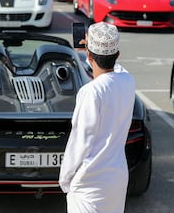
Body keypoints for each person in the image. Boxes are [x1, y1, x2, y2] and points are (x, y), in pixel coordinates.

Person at [58, 22, 136, 213]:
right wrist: (97, 47)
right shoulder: (128, 81)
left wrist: (65, 179)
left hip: (89, 183)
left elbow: (80, 140)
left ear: (89, 55)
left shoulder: (91, 92)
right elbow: (116, 67)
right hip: (117, 178)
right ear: (117, 55)